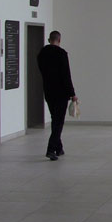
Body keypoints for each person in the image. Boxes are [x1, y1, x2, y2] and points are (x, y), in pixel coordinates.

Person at [37, 30, 77, 161]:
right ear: (59, 40)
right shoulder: (61, 54)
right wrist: (72, 94)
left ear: (49, 40)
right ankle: (51, 149)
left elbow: (42, 71)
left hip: (48, 91)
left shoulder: (42, 54)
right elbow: (66, 75)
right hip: (61, 93)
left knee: (55, 119)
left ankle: (59, 148)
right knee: (58, 122)